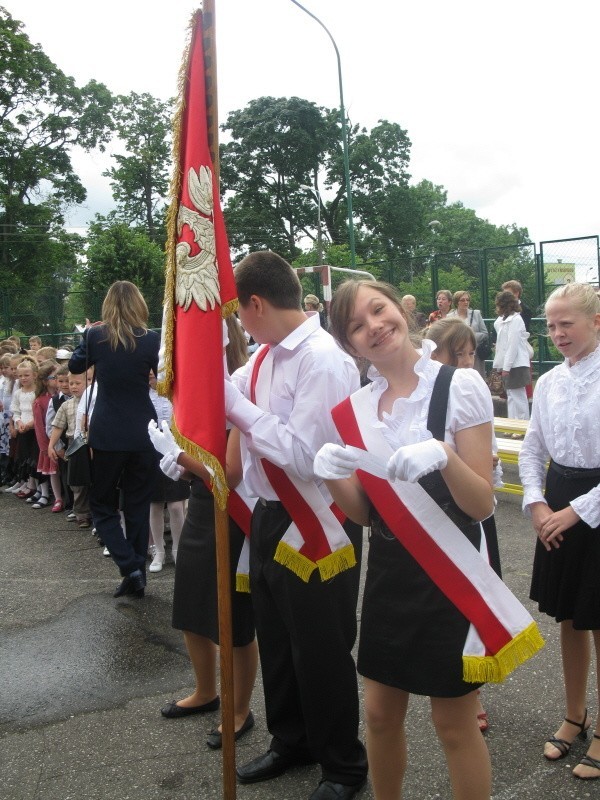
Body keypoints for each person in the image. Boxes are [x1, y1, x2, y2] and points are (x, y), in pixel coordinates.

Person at [314, 279, 522, 800]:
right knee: (380, 716)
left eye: (378, 310)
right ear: (349, 344)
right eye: (357, 326)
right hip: (391, 569)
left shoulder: (458, 386)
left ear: (398, 308)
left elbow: (481, 504)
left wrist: (444, 456)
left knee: (453, 724)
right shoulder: (355, 410)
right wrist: (332, 474)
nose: (374, 327)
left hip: (452, 570)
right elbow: (365, 513)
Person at [224, 252, 368, 800]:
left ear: (256, 304)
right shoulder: (263, 358)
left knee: (321, 647)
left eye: (240, 312)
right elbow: (221, 391)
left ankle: (343, 766)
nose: (240, 324)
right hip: (268, 515)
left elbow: (308, 458)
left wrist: (237, 407)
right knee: (279, 641)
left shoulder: (322, 360)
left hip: (317, 519)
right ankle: (292, 740)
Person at [519, 282, 600, 780]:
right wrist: (535, 503)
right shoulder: (549, 383)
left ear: (596, 321)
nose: (557, 333)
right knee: (569, 619)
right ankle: (576, 714)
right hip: (556, 503)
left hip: (591, 507)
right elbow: (532, 447)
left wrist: (573, 512)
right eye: (550, 325)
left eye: (566, 323)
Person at [424, 316, 503, 734]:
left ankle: (474, 693)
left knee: (474, 602)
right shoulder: (432, 393)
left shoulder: (471, 391)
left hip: (473, 516)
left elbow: (485, 471)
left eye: (472, 353)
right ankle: (458, 688)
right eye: (460, 354)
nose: (469, 361)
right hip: (434, 519)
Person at [68, 281, 160, 598]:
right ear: (138, 304)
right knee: (136, 506)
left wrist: (88, 336)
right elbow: (163, 376)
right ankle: (137, 576)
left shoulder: (96, 336)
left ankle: (130, 566)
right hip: (144, 431)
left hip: (108, 432)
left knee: (102, 505)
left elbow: (75, 365)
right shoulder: (151, 339)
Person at [146, 370, 189, 572]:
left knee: (176, 506)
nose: (151, 374)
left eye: (155, 371)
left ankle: (179, 550)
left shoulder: (176, 392)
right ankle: (159, 551)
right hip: (151, 449)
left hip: (174, 447)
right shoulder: (143, 395)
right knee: (155, 504)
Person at [48, 372, 91, 528]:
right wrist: (51, 445)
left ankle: (96, 512)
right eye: (71, 383)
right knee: (78, 482)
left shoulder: (94, 401)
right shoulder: (67, 405)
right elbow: (58, 425)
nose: (73, 386)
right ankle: (82, 513)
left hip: (93, 443)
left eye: (77, 383)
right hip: (75, 443)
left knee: (94, 480)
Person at [492, 290, 532, 420]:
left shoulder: (516, 319)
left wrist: (506, 367)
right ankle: (512, 424)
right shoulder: (503, 319)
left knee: (518, 396)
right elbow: (498, 326)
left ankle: (522, 425)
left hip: (517, 364)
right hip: (508, 364)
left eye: (499, 304)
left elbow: (512, 345)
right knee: (510, 396)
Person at [447, 290, 490, 378]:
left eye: (467, 300)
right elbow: (449, 336)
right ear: (456, 302)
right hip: (458, 353)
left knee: (476, 377)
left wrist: (470, 336)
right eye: (462, 300)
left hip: (475, 353)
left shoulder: (476, 314)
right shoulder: (450, 317)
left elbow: (485, 333)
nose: (466, 302)